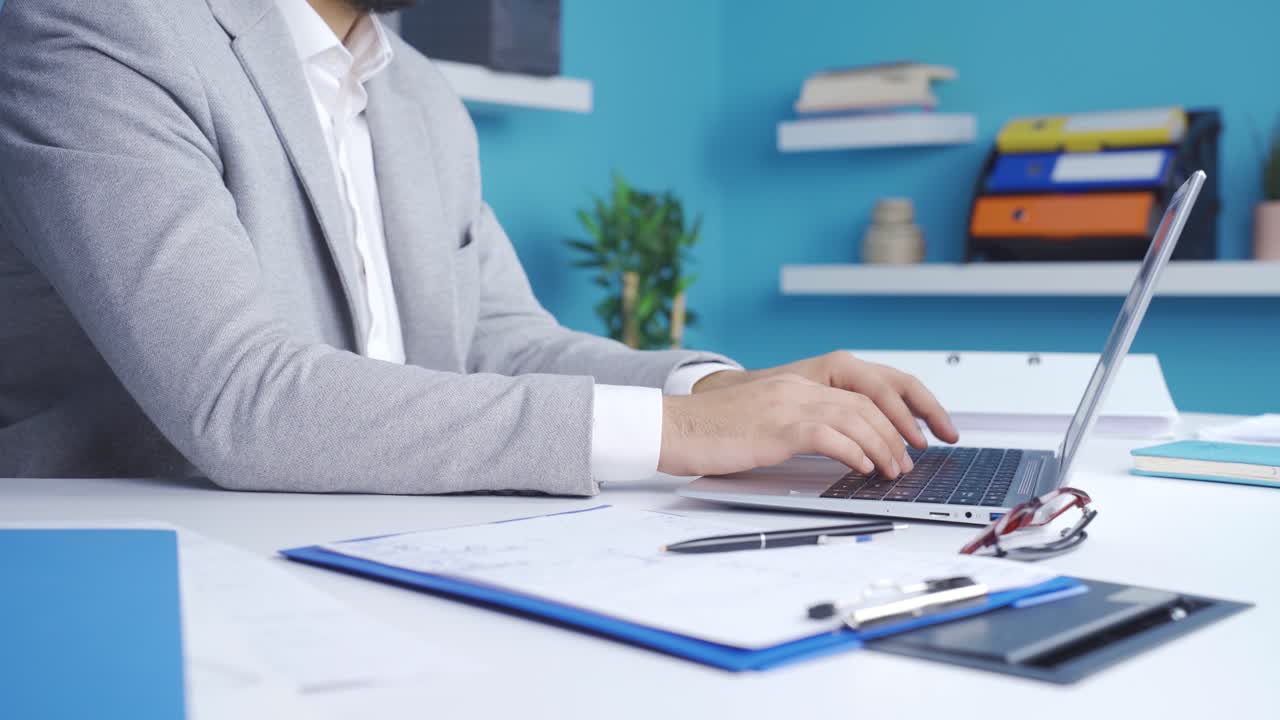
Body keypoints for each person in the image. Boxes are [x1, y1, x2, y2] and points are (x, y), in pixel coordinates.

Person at [0, 0, 958, 495]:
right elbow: (239, 399)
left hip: (377, 539)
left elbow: (502, 339)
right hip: (138, 570)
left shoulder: (418, 94)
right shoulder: (103, 29)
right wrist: (681, 439)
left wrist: (708, 391)